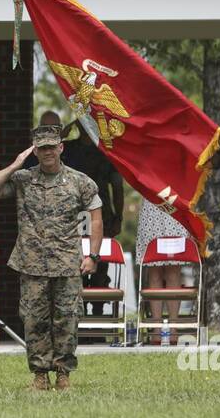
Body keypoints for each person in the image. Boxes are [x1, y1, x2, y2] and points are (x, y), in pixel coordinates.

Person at [0, 125, 101, 390]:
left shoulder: (79, 181)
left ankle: (63, 374)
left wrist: (93, 255)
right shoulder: (23, 179)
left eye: (51, 147)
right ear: (35, 150)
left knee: (67, 320)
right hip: (32, 264)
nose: (47, 152)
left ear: (61, 148)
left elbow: (96, 217)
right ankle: (39, 375)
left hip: (67, 263)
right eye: (42, 148)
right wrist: (14, 165)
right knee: (35, 321)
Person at [61, 124, 123, 301]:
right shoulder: (68, 148)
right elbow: (47, 153)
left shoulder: (106, 151)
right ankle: (76, 314)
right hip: (74, 216)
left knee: (99, 266)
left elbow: (117, 187)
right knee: (74, 263)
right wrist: (62, 133)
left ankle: (98, 313)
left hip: (101, 215)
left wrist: (118, 217)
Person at [134, 198, 192, 333]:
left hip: (175, 205)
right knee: (154, 271)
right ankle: (156, 328)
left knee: (173, 270)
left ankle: (173, 327)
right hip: (151, 207)